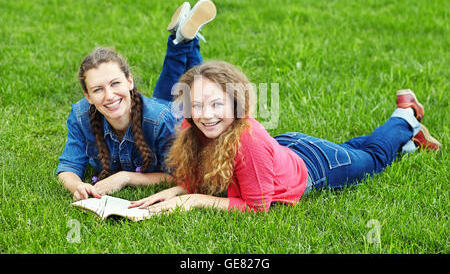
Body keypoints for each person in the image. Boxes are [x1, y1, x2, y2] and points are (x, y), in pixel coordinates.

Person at [129, 61, 441, 213]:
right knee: (351, 150)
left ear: (237, 104)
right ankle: (410, 144)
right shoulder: (193, 127)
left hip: (317, 166)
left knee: (372, 158)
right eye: (197, 105)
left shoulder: (246, 140)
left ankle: (406, 117)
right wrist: (177, 191)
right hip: (282, 149)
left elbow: (256, 207)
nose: (206, 114)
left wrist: (193, 200)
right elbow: (202, 174)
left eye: (216, 104)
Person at [57, 0, 217, 201]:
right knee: (167, 98)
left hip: (179, 117)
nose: (109, 96)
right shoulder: (81, 116)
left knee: (197, 90)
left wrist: (125, 177)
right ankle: (182, 40)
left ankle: (184, 41)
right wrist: (77, 186)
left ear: (130, 81)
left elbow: (179, 177)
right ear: (87, 96)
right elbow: (68, 167)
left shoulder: (161, 121)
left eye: (115, 83)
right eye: (98, 89)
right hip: (157, 109)